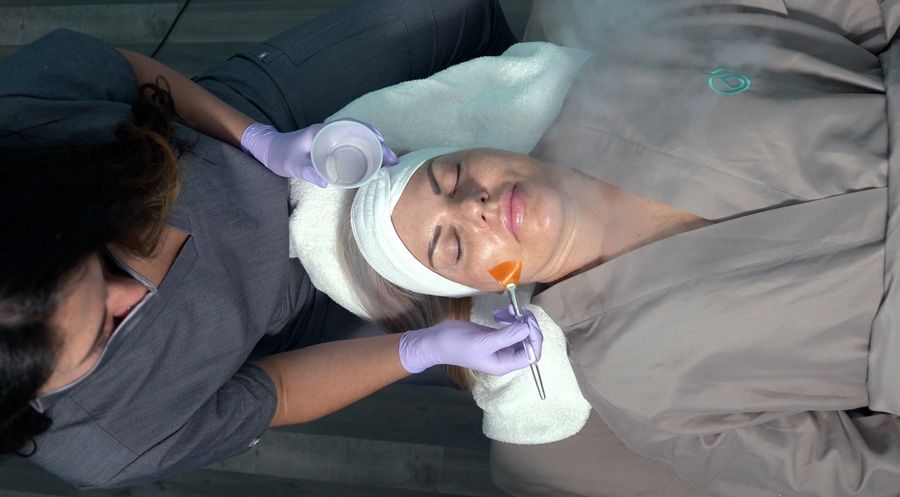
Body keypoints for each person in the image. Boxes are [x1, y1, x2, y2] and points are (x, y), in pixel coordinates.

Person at [340, 1, 900, 496]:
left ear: (473, 143)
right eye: (454, 245)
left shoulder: (639, 62)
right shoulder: (638, 386)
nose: (474, 206)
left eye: (452, 174)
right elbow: (850, 477)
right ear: (484, 287)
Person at [0, 0, 544, 488]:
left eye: (100, 264)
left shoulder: (18, 123)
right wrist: (423, 349)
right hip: (308, 293)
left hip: (245, 128)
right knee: (528, 261)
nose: (134, 296)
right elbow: (276, 392)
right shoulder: (107, 444)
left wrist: (258, 139)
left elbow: (123, 71)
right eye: (103, 334)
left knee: (455, 14)